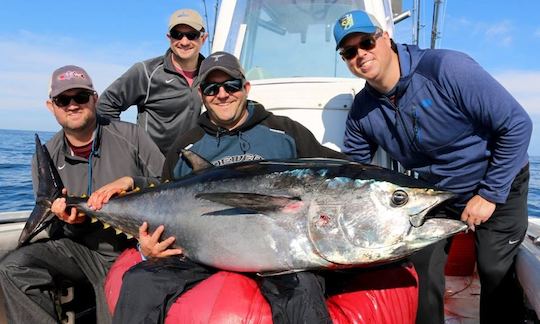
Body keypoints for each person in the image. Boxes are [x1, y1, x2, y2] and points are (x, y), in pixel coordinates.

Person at [105, 51, 346, 324]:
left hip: (282, 256)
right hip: (200, 255)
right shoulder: (186, 146)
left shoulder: (285, 133)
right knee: (139, 282)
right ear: (201, 94)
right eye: (211, 88)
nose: (222, 94)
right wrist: (145, 243)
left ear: (246, 88)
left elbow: (337, 175)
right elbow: (167, 197)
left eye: (231, 85)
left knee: (303, 294)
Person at [333, 9, 532, 324]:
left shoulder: (446, 69)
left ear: (385, 38)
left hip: (498, 179)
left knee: (494, 267)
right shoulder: (362, 112)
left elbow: (517, 125)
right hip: (439, 193)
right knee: (420, 262)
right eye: (349, 51)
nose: (361, 54)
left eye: (367, 42)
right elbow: (352, 167)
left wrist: (491, 194)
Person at [0, 65, 164, 324]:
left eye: (81, 97)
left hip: (135, 248)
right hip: (81, 252)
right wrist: (69, 224)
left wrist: (133, 181)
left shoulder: (132, 136)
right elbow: (53, 227)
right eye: (63, 99)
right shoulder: (47, 156)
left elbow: (170, 185)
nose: (72, 105)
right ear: (51, 106)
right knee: (13, 267)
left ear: (95, 99)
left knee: (113, 310)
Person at [97, 8, 207, 155]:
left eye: (191, 35)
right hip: (152, 168)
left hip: (193, 165)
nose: (184, 41)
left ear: (203, 38)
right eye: (177, 35)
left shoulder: (211, 73)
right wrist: (123, 147)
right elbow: (105, 105)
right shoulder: (146, 72)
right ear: (169, 38)